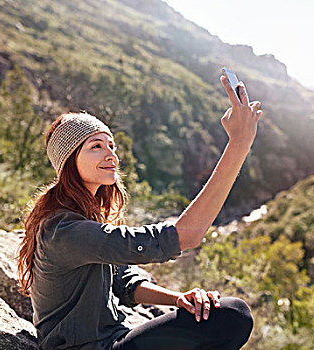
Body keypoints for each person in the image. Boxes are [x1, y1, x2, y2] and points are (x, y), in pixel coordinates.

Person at [17, 75, 263, 350]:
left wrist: (178, 298)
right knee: (232, 315)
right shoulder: (64, 230)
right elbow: (186, 236)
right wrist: (239, 143)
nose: (111, 154)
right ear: (69, 162)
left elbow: (123, 280)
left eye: (111, 145)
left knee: (223, 315)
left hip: (114, 340)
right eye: (95, 146)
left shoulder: (84, 218)